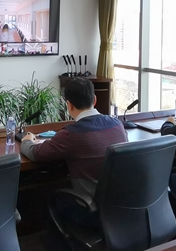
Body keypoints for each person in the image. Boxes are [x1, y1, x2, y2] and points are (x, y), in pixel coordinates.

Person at [20, 77, 127, 205]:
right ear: (94, 100)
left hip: (89, 205)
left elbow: (36, 153)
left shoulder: (71, 134)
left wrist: (26, 140)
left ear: (69, 105)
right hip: (122, 202)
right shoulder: (117, 125)